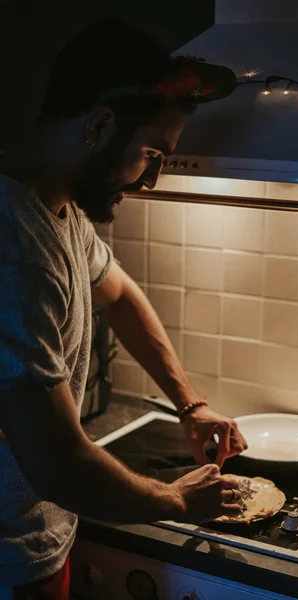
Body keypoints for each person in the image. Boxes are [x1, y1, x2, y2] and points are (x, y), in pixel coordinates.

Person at [0, 16, 247, 599]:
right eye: (152, 154)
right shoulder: (15, 254)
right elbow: (58, 465)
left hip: (38, 538)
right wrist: (176, 500)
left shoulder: (58, 210)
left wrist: (190, 405)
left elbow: (120, 294)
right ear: (100, 125)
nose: (152, 179)